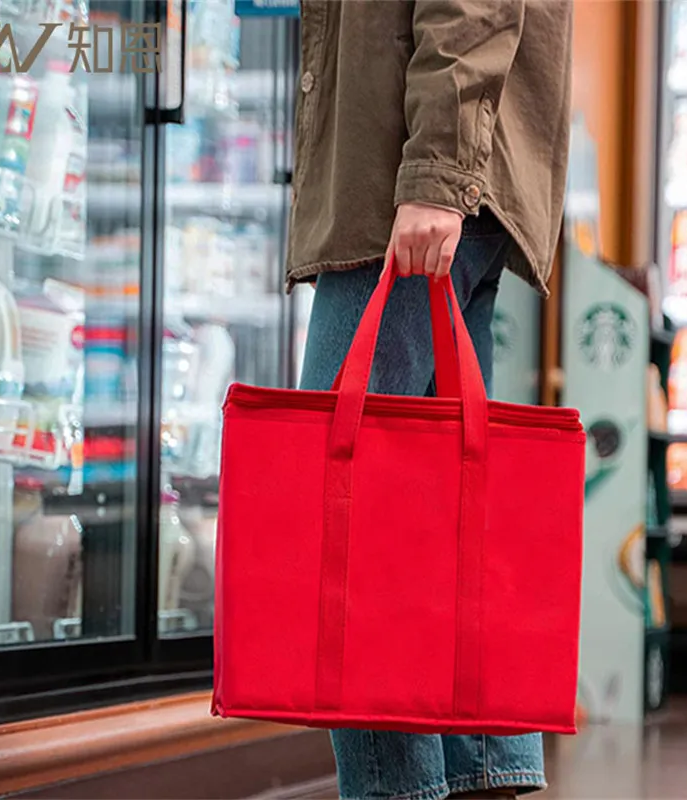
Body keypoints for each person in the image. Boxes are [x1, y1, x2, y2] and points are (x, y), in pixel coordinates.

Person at [290, 1, 572, 798]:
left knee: (348, 518)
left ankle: (405, 786)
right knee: (437, 509)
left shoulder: (421, 185)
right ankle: (482, 760)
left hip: (406, 181)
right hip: (438, 171)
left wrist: (436, 177)